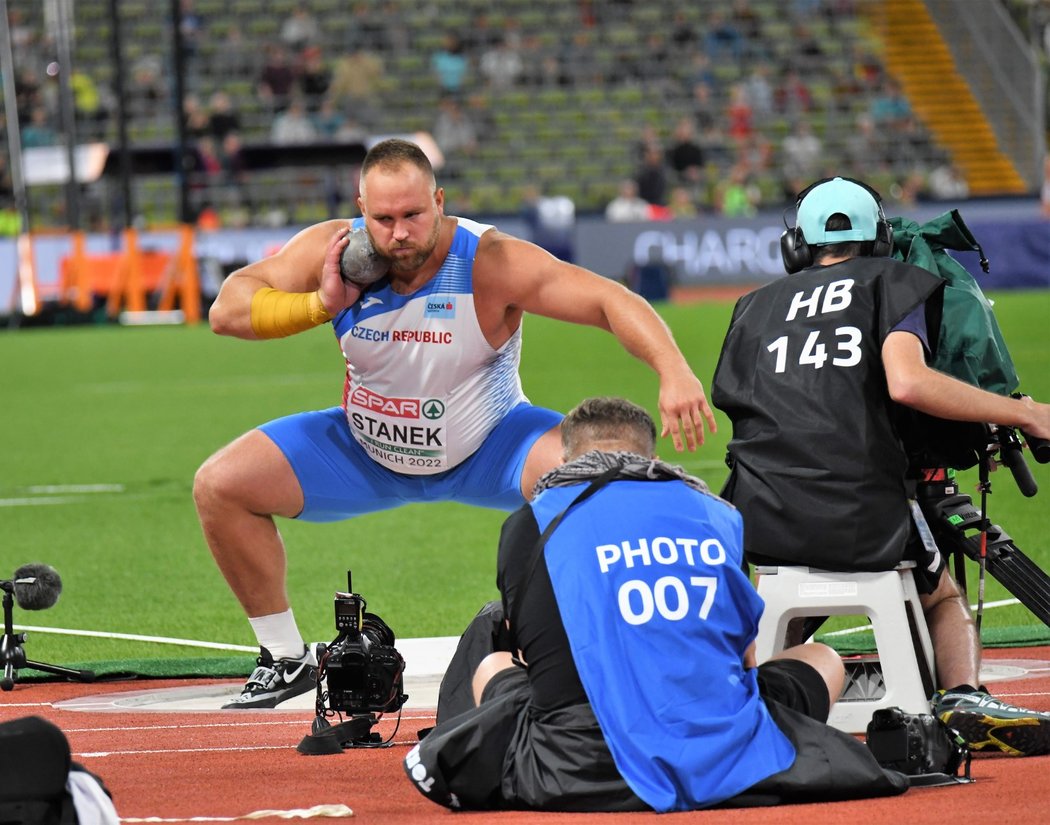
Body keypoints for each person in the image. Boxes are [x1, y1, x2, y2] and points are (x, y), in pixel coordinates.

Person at [194, 138, 715, 709]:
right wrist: (320, 303)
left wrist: (674, 370)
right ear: (360, 208)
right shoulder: (334, 250)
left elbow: (608, 300)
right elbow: (227, 310)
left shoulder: (489, 262)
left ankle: (631, 649)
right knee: (221, 485)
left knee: (608, 487)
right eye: (384, 219)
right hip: (363, 450)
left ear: (439, 201)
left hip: (494, 447)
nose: (399, 234)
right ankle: (284, 657)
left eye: (414, 215)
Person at [404, 397, 907, 812]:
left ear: (567, 460)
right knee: (822, 658)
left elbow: (533, 655)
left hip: (575, 766)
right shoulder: (717, 513)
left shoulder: (530, 522)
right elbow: (745, 657)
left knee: (492, 656)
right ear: (650, 455)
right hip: (720, 756)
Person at [711, 176, 1050, 755]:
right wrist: (1027, 416)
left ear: (798, 245)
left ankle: (761, 687)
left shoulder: (750, 307)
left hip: (758, 520)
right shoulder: (894, 280)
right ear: (882, 238)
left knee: (787, 590)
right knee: (941, 596)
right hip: (862, 516)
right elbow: (909, 382)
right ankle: (963, 697)